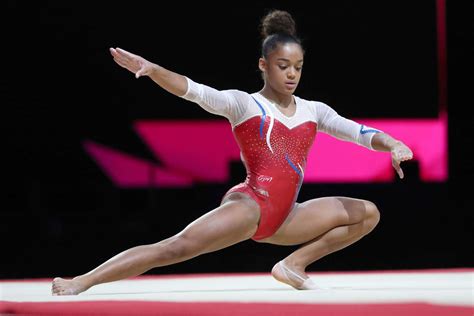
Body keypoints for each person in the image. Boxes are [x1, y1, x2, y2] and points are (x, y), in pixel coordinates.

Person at [52, 9, 413, 295]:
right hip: (251, 204)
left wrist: (393, 144)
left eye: (298, 67)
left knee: (367, 214)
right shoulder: (244, 105)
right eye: (283, 66)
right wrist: (153, 70)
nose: (292, 75)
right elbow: (193, 90)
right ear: (263, 65)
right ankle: (83, 280)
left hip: (288, 216)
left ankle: (292, 266)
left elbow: (360, 133)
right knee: (173, 248)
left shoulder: (314, 110)